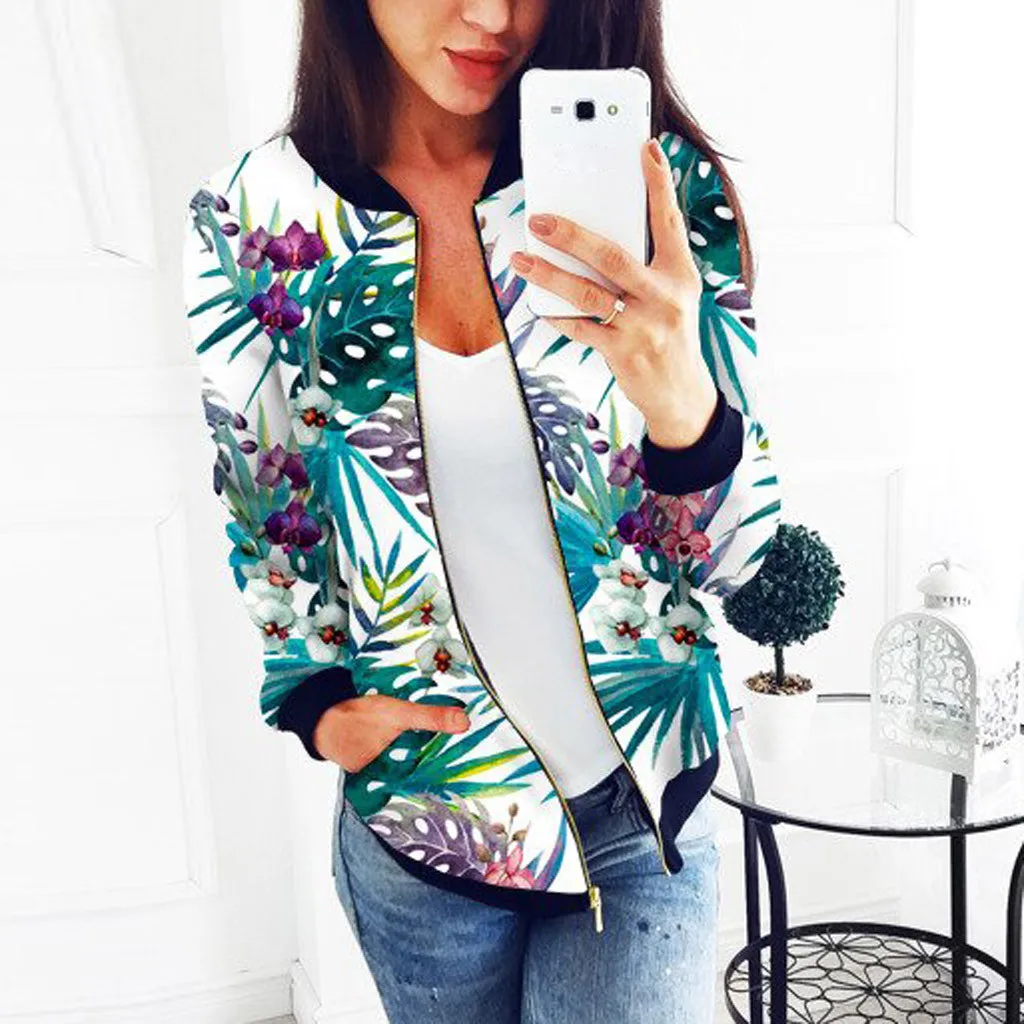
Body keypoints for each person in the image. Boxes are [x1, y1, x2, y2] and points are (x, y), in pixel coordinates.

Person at [182, 1, 783, 1021]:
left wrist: (681, 402)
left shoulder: (658, 187)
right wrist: (316, 701)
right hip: (427, 814)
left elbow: (742, 561)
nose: (492, 15)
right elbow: (265, 493)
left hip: (640, 805)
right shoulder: (257, 216)